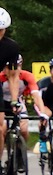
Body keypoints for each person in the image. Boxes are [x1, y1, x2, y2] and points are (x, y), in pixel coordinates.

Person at [0, 9, 23, 163]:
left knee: (0, 128)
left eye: (0, 31)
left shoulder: (11, 47)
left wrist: (15, 100)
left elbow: (13, 76)